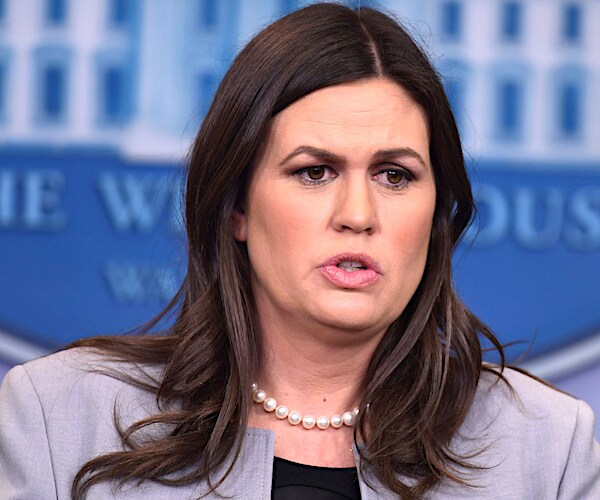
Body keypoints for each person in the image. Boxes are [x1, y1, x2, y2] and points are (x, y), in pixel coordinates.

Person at [1, 3, 599, 499]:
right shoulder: (60, 418)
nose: (358, 215)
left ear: (438, 210)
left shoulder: (547, 448)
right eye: (315, 172)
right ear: (236, 206)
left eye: (394, 175)